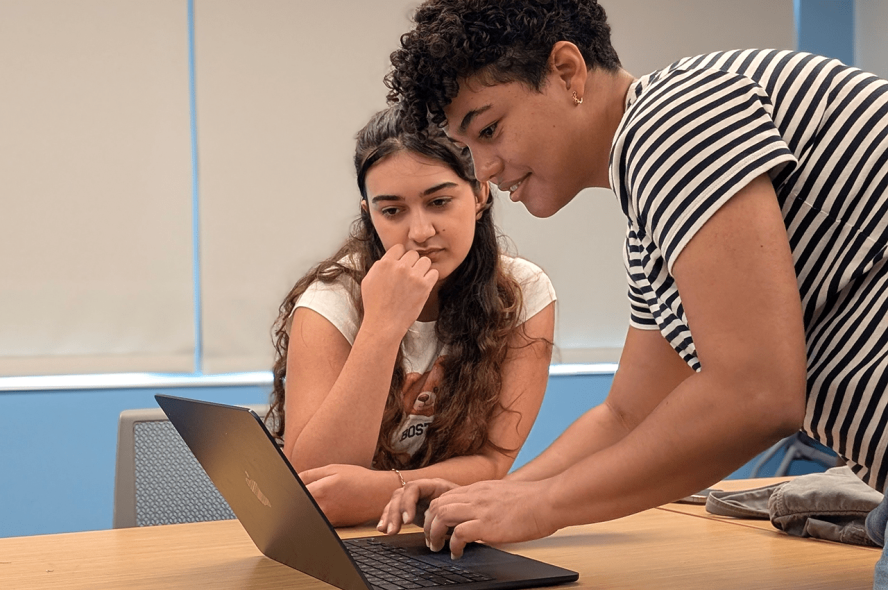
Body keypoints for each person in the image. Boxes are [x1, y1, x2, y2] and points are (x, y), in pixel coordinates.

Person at [378, 0, 888, 576]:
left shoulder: (672, 121)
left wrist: (540, 504)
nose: (484, 169)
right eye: (469, 147)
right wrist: (496, 498)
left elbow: (756, 393)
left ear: (567, 72)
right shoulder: (652, 229)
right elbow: (628, 414)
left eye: (490, 129)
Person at [267, 105, 556, 527]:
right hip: (342, 544)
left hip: (446, 531)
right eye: (393, 211)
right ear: (369, 213)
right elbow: (315, 485)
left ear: (479, 194)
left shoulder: (524, 293)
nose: (419, 231)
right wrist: (382, 327)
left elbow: (494, 461)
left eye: (439, 201)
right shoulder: (332, 299)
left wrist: (389, 490)